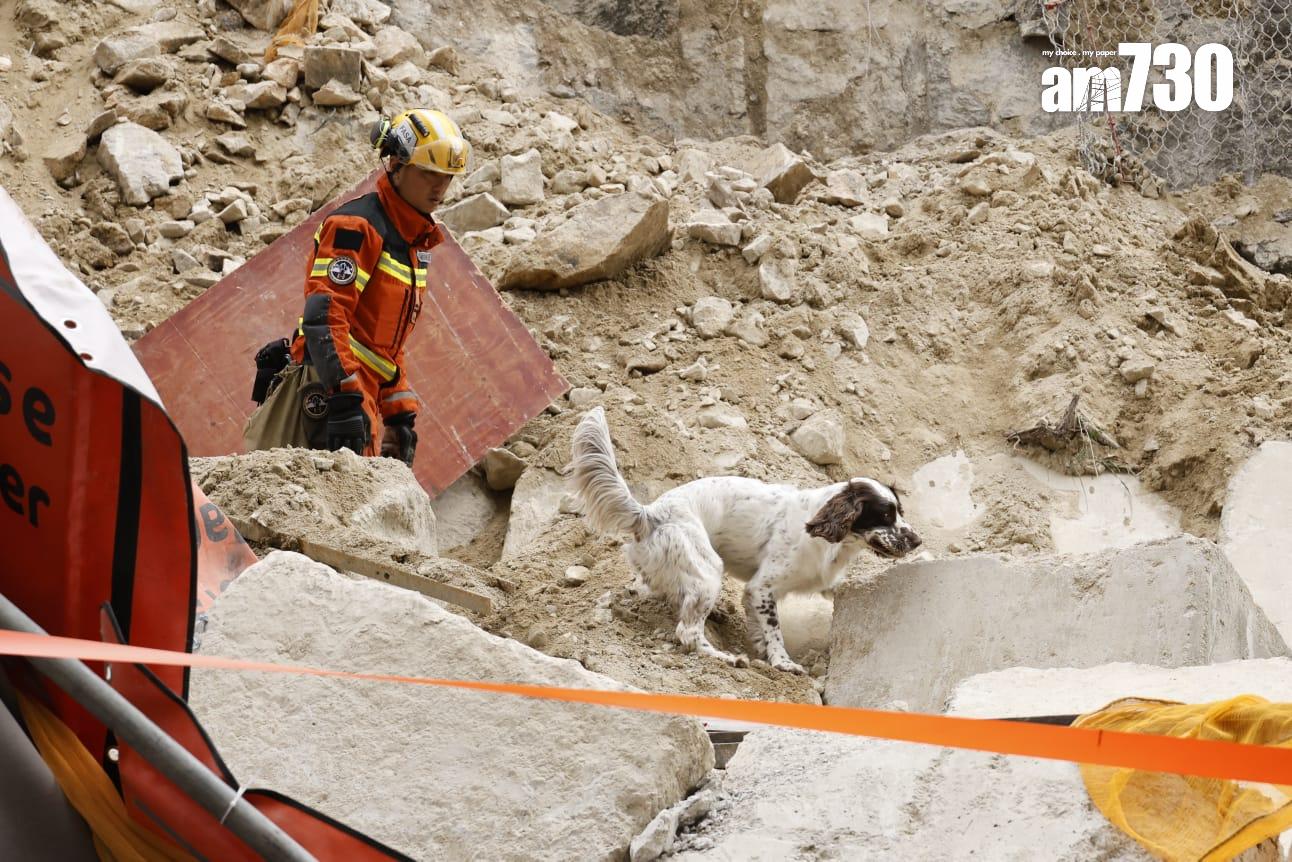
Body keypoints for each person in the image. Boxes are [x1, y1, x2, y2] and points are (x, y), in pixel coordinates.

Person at [249, 108, 469, 467]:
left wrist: (398, 414)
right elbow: (324, 316)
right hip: (328, 391)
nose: (440, 186)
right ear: (396, 164)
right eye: (429, 173)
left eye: (447, 176)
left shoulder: (411, 243)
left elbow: (385, 345)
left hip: (358, 394)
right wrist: (343, 396)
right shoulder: (356, 227)